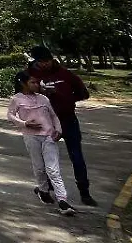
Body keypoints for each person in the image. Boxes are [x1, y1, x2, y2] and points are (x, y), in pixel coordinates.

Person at [28, 45, 97, 206]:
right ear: (36, 62)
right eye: (41, 62)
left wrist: (65, 98)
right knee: (46, 158)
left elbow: (83, 93)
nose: (45, 64)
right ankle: (47, 188)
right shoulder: (31, 75)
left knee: (77, 156)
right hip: (46, 123)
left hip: (68, 120)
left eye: (47, 61)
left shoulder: (65, 74)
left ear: (52, 58)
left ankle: (84, 192)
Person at [7, 71, 77, 216]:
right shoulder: (16, 99)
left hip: (49, 136)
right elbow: (10, 115)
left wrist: (58, 130)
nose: (36, 85)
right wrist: (24, 123)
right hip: (31, 137)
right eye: (32, 82)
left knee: (53, 169)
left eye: (37, 82)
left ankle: (62, 200)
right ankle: (43, 190)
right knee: (39, 167)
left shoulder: (43, 99)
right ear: (23, 83)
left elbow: (53, 115)